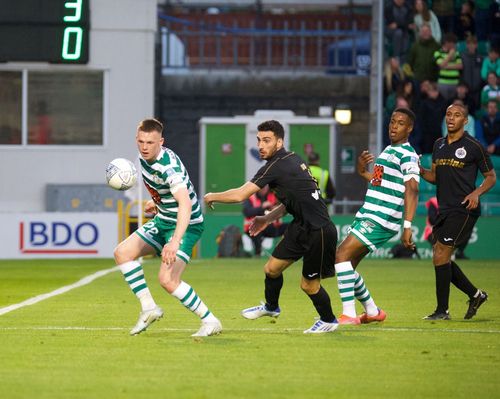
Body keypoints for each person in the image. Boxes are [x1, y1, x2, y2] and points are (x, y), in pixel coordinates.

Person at [204, 120, 339, 334]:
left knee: (308, 285)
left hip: (319, 231)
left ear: (279, 141)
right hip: (300, 225)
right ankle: (271, 306)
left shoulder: (277, 165)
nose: (261, 145)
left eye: (267, 140)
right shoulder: (290, 159)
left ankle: (329, 320)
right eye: (258, 140)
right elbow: (290, 202)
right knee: (271, 269)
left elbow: (241, 194)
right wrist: (266, 219)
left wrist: (212, 196)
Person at [113, 118, 222, 337]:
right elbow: (168, 192)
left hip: (187, 224)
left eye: (151, 142)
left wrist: (174, 242)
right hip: (164, 219)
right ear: (137, 139)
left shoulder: (167, 167)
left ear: (161, 141)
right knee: (122, 253)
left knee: (167, 279)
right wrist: (158, 201)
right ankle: (149, 308)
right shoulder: (143, 159)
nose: (145, 147)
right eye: (141, 141)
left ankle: (211, 321)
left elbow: (186, 203)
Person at [333, 108, 420, 324]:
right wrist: (363, 171)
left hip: (381, 217)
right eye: (392, 121)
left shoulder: (408, 155)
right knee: (348, 265)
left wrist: (407, 226)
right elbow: (378, 181)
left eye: (400, 123)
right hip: (369, 212)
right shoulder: (388, 151)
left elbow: (412, 189)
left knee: (341, 255)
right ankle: (372, 312)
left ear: (409, 128)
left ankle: (349, 314)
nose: (394, 126)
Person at [419, 103, 496, 320]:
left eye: (457, 115)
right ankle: (475, 295)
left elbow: (491, 177)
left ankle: (442, 311)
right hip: (444, 209)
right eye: (448, 114)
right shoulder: (438, 145)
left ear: (466, 120)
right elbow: (434, 177)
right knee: (439, 256)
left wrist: (476, 194)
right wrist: (420, 170)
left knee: (441, 252)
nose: (451, 118)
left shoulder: (474, 146)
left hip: (464, 208)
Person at [242, 184, 287, 256]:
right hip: (253, 226)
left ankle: (284, 252)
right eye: (262, 188)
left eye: (265, 188)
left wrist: (275, 208)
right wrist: (262, 207)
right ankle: (258, 254)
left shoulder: (272, 196)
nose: (264, 190)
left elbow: (283, 207)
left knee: (289, 227)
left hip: (271, 226)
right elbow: (247, 212)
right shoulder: (251, 198)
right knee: (257, 232)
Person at [434, 33, 463, 102]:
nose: (454, 46)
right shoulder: (438, 53)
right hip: (443, 83)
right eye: (453, 43)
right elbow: (441, 65)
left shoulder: (456, 53)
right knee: (443, 103)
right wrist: (450, 54)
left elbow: (460, 66)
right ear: (447, 43)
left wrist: (446, 66)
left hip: (454, 82)